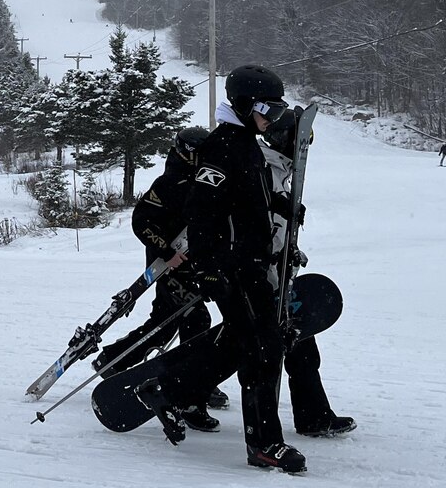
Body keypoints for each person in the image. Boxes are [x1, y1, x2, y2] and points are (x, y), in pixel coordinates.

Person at [137, 64, 306, 473]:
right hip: (233, 269)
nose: (274, 117)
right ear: (247, 105)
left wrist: (281, 206)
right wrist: (212, 269)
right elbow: (203, 212)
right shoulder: (224, 147)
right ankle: (264, 444)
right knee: (263, 351)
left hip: (250, 265)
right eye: (269, 108)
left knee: (238, 344)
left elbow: (247, 201)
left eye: (279, 109)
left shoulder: (247, 144)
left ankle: (164, 390)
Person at [93, 126, 223, 432]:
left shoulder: (206, 179)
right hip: (168, 266)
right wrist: (166, 252)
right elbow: (141, 221)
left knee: (163, 325)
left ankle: (113, 360)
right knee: (195, 322)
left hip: (195, 265)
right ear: (182, 152)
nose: (202, 159)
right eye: (197, 154)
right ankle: (190, 395)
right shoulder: (168, 183)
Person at [260, 107, 356, 439]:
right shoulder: (265, 172)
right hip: (259, 283)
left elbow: (276, 231)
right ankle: (188, 393)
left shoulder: (279, 173)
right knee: (249, 351)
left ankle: (313, 417)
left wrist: (289, 250)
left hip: (276, 278)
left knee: (301, 346)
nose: (305, 149)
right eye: (303, 141)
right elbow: (255, 231)